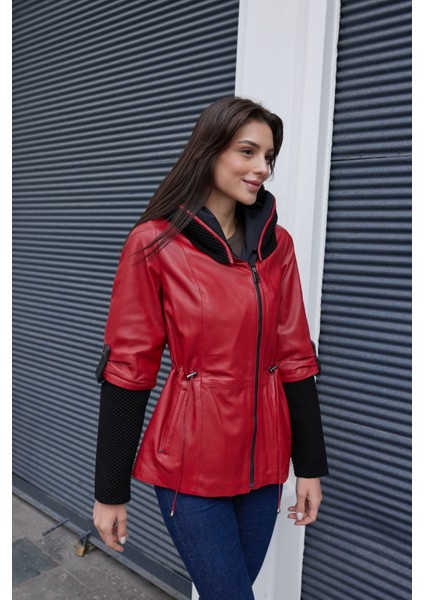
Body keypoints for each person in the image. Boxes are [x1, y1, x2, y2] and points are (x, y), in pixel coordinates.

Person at [92, 96, 328, 600]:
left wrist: (309, 465)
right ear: (209, 150)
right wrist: (109, 492)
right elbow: (129, 369)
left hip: (265, 466)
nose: (263, 168)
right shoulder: (155, 243)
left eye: (269, 156)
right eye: (248, 151)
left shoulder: (277, 245)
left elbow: (294, 356)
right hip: (190, 466)